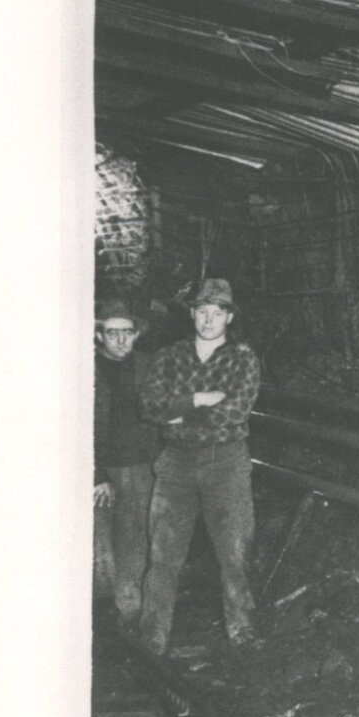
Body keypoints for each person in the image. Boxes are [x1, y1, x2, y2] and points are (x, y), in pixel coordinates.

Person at [137, 278, 262, 653]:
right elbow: (150, 407)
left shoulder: (243, 358)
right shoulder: (170, 357)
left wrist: (182, 413)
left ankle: (242, 632)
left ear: (228, 317)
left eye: (217, 313)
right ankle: (152, 637)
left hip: (226, 461)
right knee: (163, 554)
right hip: (175, 464)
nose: (208, 320)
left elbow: (237, 409)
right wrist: (200, 398)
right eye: (202, 312)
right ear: (192, 314)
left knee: (234, 551)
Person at [93, 300, 160, 630]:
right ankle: (100, 614)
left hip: (140, 464)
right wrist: (95, 473)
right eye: (112, 332)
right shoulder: (83, 369)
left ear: (136, 335)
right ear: (99, 334)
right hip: (100, 470)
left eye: (127, 332)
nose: (120, 340)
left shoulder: (148, 366)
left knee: (135, 537)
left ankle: (130, 610)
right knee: (99, 541)